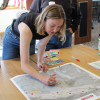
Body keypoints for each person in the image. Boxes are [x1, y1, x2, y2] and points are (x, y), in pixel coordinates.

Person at [2, 4, 66, 86]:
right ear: (44, 20)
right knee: (9, 69)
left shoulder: (52, 28)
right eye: (52, 26)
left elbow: (42, 44)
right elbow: (24, 65)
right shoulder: (26, 29)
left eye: (59, 26)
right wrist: (42, 78)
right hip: (12, 38)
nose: (55, 30)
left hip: (30, 38)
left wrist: (40, 61)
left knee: (32, 66)